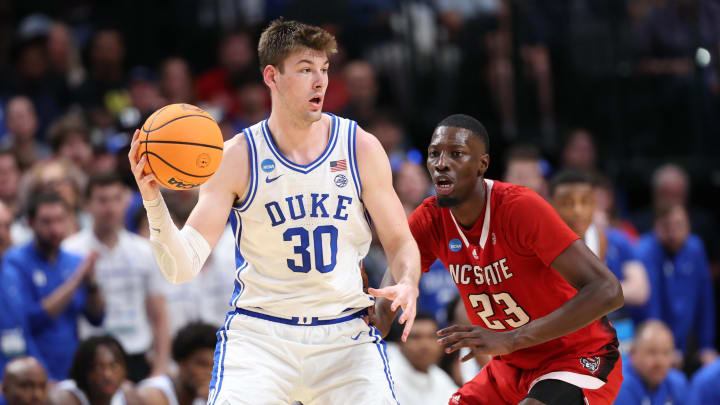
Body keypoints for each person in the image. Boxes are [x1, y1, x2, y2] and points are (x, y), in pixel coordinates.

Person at [128, 18, 420, 404]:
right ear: (272, 76)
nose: (320, 82)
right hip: (261, 338)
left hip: (343, 335)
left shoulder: (360, 148)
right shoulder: (236, 157)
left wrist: (408, 281)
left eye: (324, 70)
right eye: (305, 70)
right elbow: (181, 268)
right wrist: (153, 198)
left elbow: (400, 242)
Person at [378, 114, 624, 404]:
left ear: (482, 164)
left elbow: (609, 291)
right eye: (434, 154)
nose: (441, 163)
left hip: (577, 355)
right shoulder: (429, 219)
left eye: (456, 154)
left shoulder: (519, 208)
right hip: (513, 365)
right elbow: (383, 308)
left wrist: (511, 338)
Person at [63, 173, 171, 382]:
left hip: (136, 353)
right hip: (89, 356)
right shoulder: (71, 251)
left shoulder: (145, 250)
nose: (110, 208)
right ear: (87, 204)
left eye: (116, 199)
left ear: (127, 200)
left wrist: (161, 367)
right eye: (102, 200)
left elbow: (159, 314)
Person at [0, 193, 104, 381]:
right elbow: (31, 319)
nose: (54, 229)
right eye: (46, 222)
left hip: (70, 369)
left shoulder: (74, 261)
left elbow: (97, 318)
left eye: (60, 220)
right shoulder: (14, 263)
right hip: (31, 374)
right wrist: (76, 280)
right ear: (30, 223)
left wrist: (92, 284)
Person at [548, 170, 649, 345]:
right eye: (568, 203)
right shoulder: (538, 244)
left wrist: (592, 293)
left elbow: (640, 291)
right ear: (551, 205)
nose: (578, 211)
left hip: (609, 328)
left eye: (585, 202)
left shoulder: (609, 239)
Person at [636, 204, 717, 368]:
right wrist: (663, 348)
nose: (673, 233)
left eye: (679, 225)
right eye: (667, 227)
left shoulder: (695, 248)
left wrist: (707, 346)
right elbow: (652, 304)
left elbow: (705, 301)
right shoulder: (645, 250)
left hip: (687, 339)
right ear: (656, 226)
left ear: (688, 224)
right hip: (653, 342)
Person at [386, 313, 458, 405]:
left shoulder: (440, 378)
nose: (425, 345)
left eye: (431, 337)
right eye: (416, 337)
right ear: (399, 343)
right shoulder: (385, 377)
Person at [138, 322, 217, 405]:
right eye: (202, 364)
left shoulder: (204, 397)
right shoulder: (152, 394)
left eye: (215, 366)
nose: (210, 372)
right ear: (181, 363)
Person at [50, 335, 142, 405]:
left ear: (125, 369)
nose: (107, 375)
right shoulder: (65, 397)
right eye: (99, 368)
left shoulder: (128, 396)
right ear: (84, 371)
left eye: (114, 366)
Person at [614, 320, 688, 405]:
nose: (660, 361)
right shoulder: (618, 387)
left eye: (666, 353)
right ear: (632, 353)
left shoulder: (678, 383)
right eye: (652, 352)